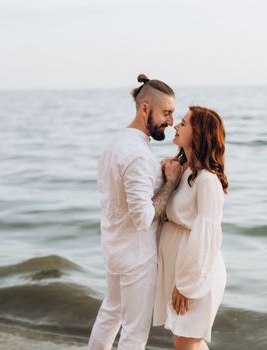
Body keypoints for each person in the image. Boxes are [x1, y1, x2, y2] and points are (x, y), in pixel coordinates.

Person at [88, 74, 182, 350]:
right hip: (137, 256)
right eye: (166, 113)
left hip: (113, 247)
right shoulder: (139, 155)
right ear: (145, 109)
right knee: (134, 332)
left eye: (173, 114)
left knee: (110, 313)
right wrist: (171, 184)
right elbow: (142, 217)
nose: (171, 121)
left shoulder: (113, 145)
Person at [153, 106, 228, 350]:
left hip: (196, 269)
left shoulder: (207, 180)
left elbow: (208, 236)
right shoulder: (183, 170)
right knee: (187, 341)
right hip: (180, 265)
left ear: (198, 133)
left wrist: (187, 284)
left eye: (183, 123)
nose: (175, 125)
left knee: (186, 342)